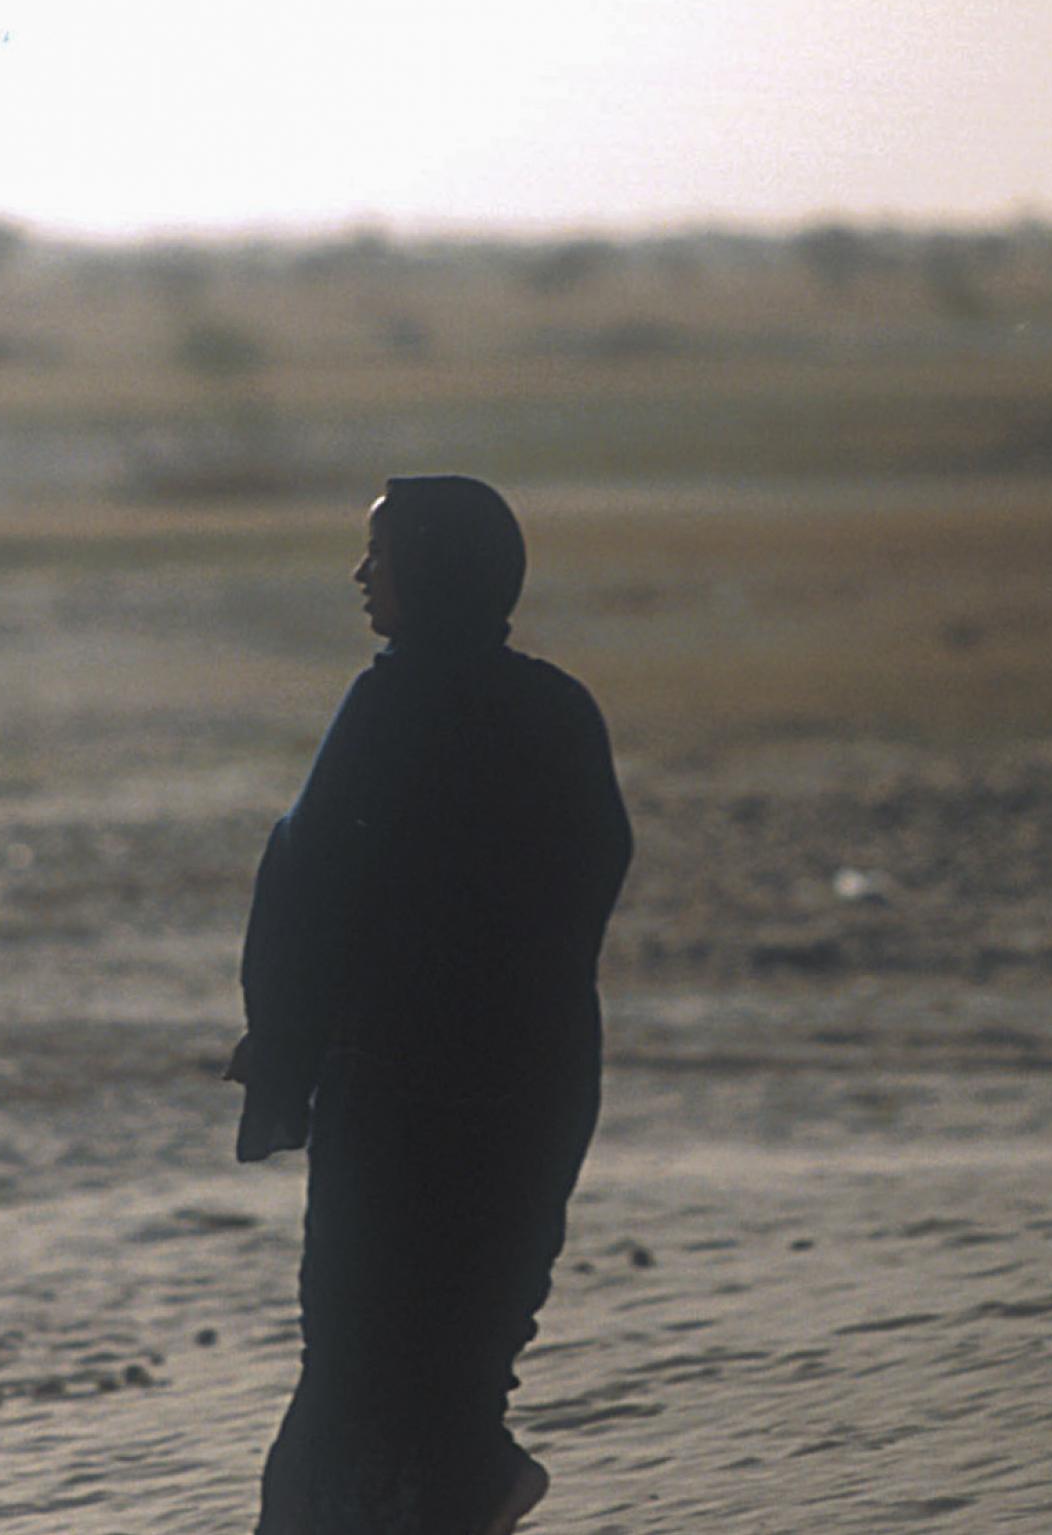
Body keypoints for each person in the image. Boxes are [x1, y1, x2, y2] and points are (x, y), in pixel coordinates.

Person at [227, 476, 632, 1535]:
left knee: (354, 1361)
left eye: (380, 551)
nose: (361, 574)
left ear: (434, 565)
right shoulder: (557, 705)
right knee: (462, 1355)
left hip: (405, 1090)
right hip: (537, 1076)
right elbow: (592, 876)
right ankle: (469, 1489)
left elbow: (307, 882)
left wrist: (285, 1040)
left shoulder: (393, 703)